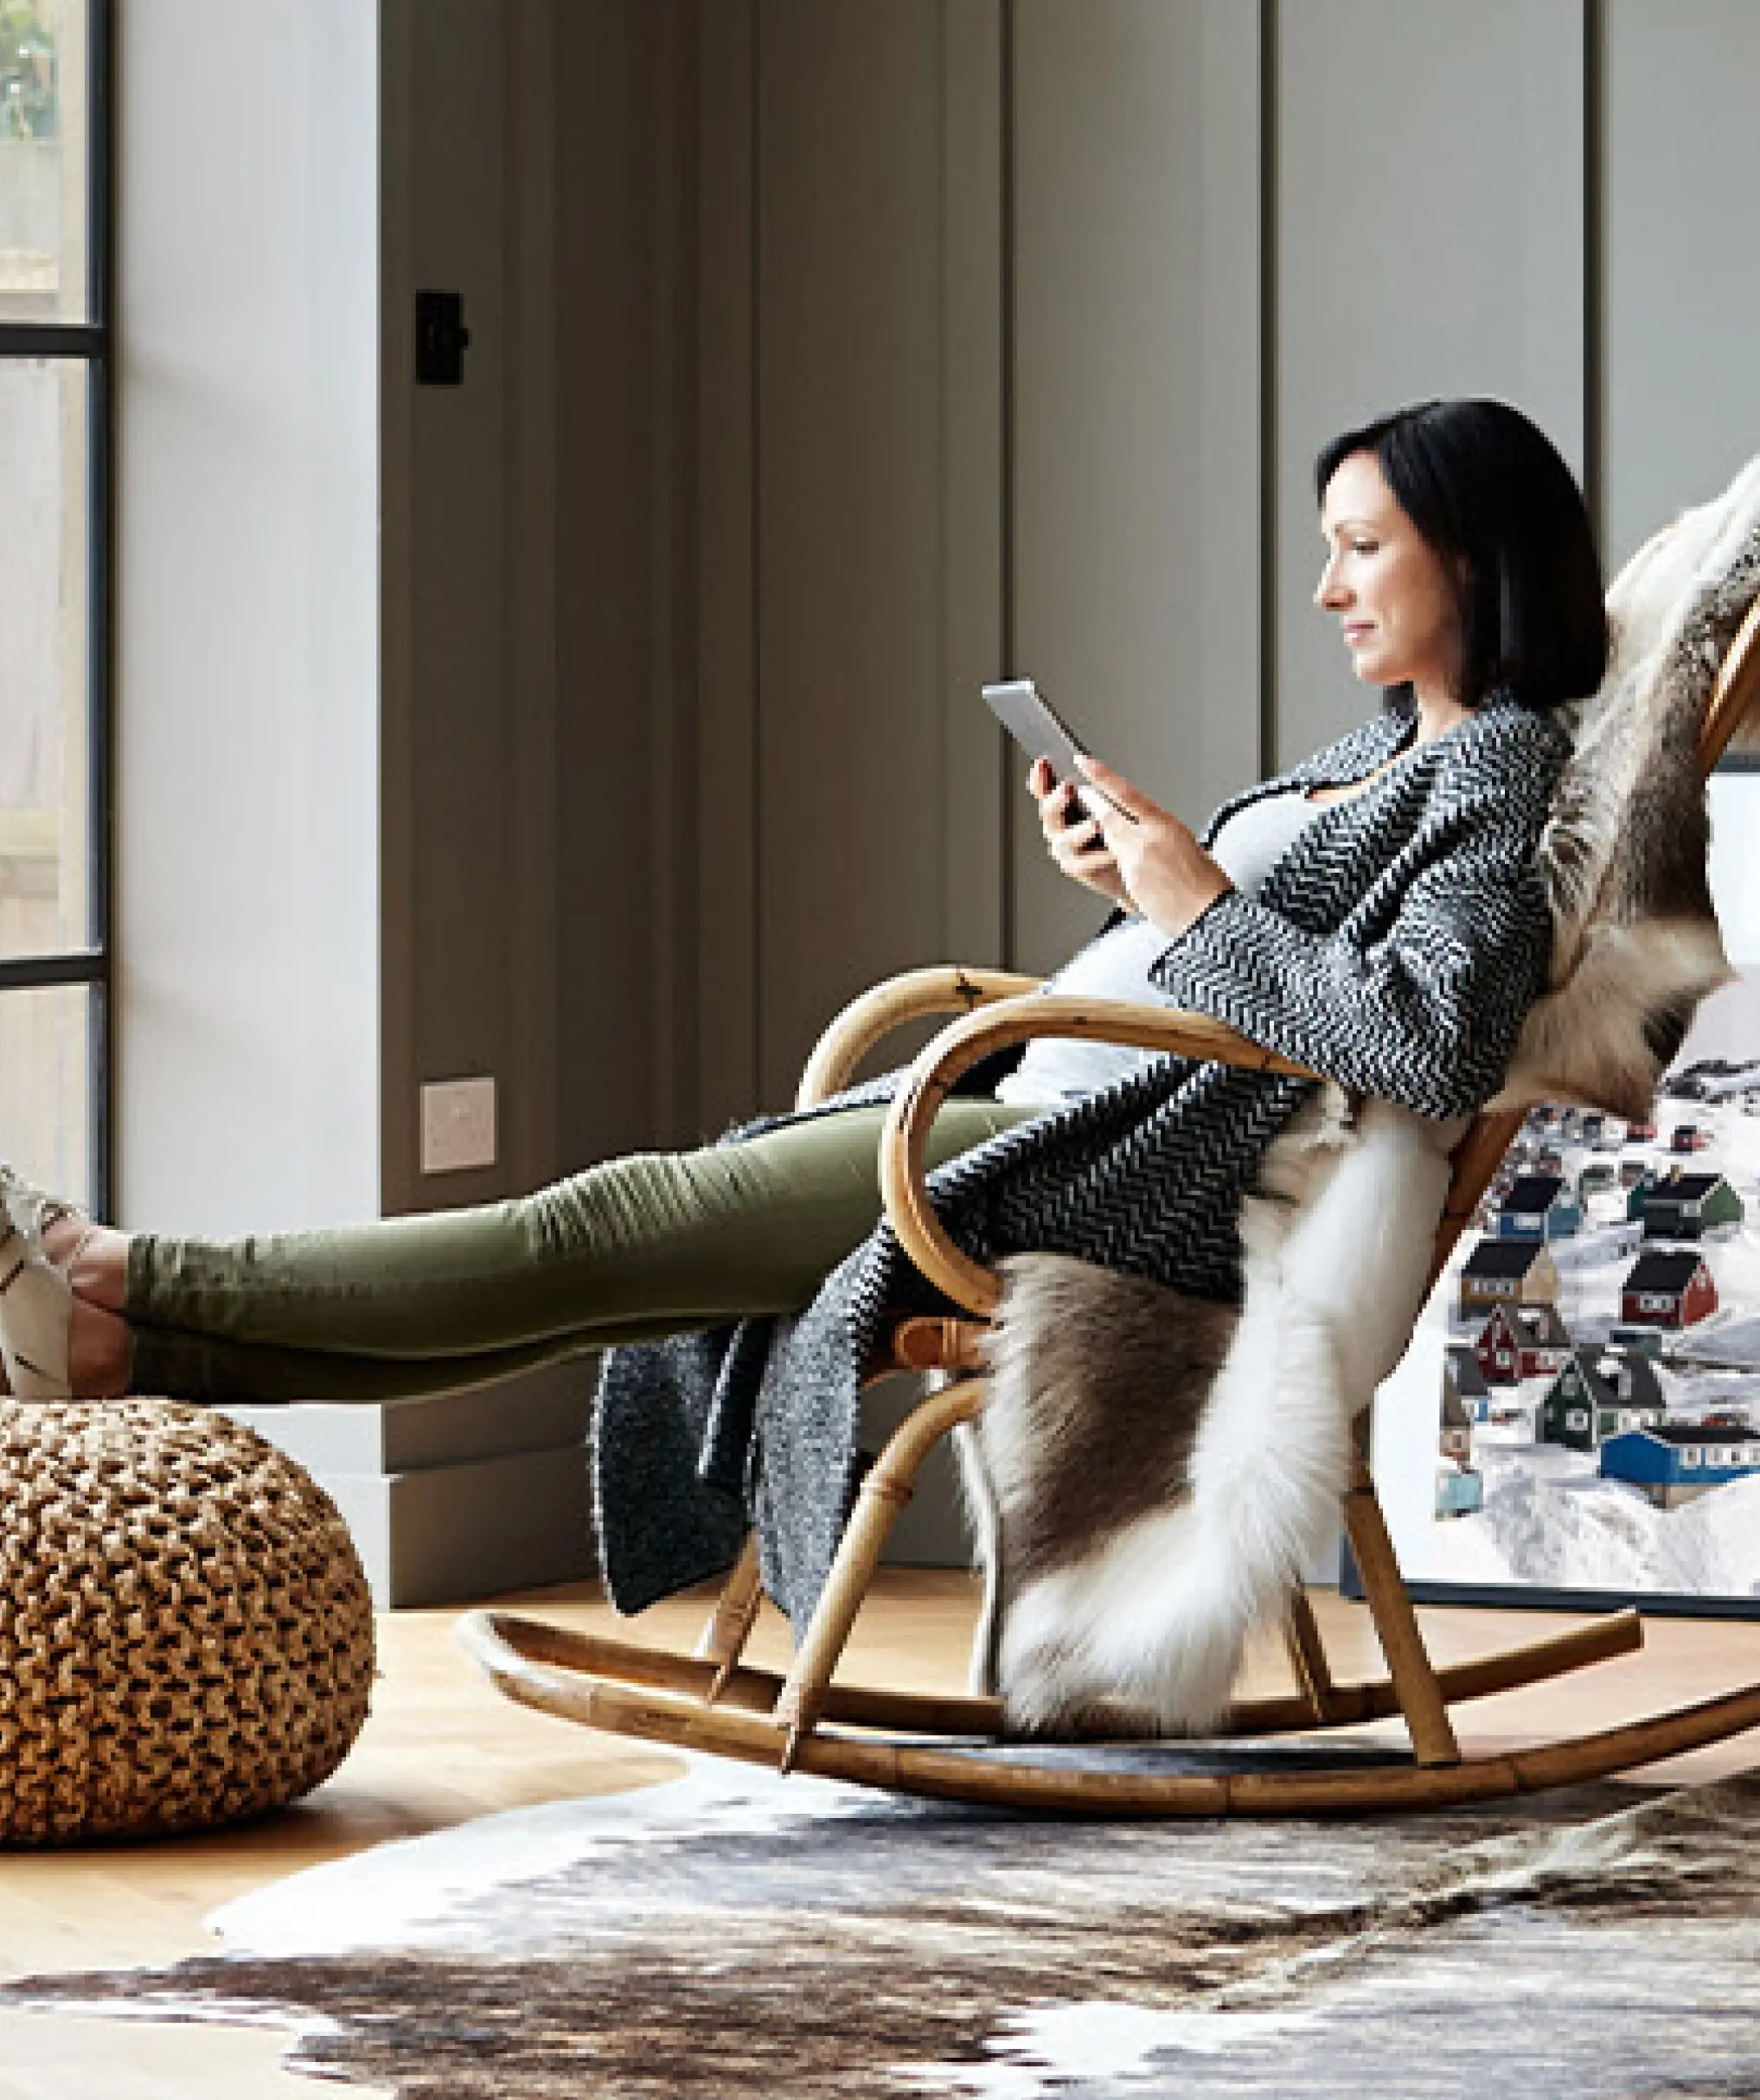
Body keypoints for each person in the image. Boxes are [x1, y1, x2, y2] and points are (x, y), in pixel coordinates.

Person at [0, 398, 1604, 1621]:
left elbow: (1429, 1043)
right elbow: (1251, 965)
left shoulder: (1491, 774)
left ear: (1473, 555)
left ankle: (125, 1277)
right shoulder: (1382, 750)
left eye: (1362, 544)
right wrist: (1136, 885)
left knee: (600, 1233)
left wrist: (1188, 900)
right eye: (1328, 542)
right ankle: (113, 1333)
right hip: (1043, 1105)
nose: (1327, 584)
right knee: (602, 1279)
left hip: (1091, 1169)